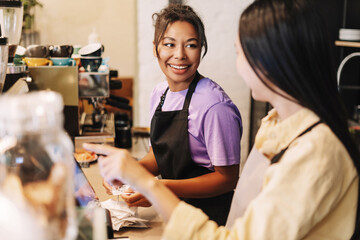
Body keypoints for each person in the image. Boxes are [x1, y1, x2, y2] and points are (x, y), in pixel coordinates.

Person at [85, 0, 360, 239]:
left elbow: (229, 189)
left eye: (240, 52)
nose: (238, 63)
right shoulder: (276, 124)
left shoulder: (314, 152)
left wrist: (150, 185)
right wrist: (133, 172)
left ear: (274, 60)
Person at [102, 4, 243, 226]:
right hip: (175, 214)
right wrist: (128, 174)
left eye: (191, 45)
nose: (179, 55)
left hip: (212, 222)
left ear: (201, 48)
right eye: (169, 44)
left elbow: (227, 179)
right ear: (155, 48)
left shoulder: (214, 106)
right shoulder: (160, 94)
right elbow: (159, 156)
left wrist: (158, 188)